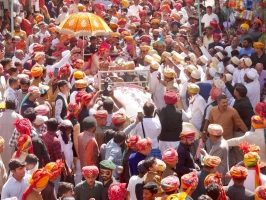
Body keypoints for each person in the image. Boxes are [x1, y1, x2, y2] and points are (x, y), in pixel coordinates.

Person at [0, 99, 22, 170]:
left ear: (5, 106)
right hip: (13, 147)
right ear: (15, 106)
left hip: (1, 146)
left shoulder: (0, 116)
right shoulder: (19, 117)